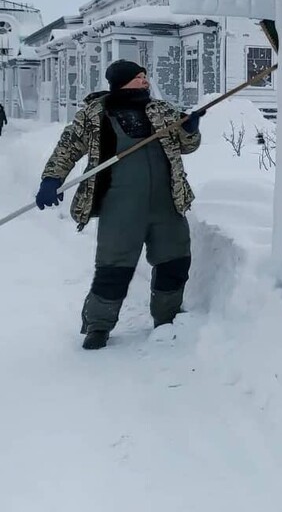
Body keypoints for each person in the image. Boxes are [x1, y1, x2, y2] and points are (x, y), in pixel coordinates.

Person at [35, 60, 205, 350]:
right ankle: (98, 326)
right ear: (122, 82)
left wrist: (190, 128)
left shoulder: (162, 111)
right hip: (119, 204)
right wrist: (51, 178)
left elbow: (188, 146)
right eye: (139, 77)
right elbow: (69, 146)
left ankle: (168, 317)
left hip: (167, 201)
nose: (145, 81)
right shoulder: (95, 114)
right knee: (114, 267)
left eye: (145, 76)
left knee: (174, 260)